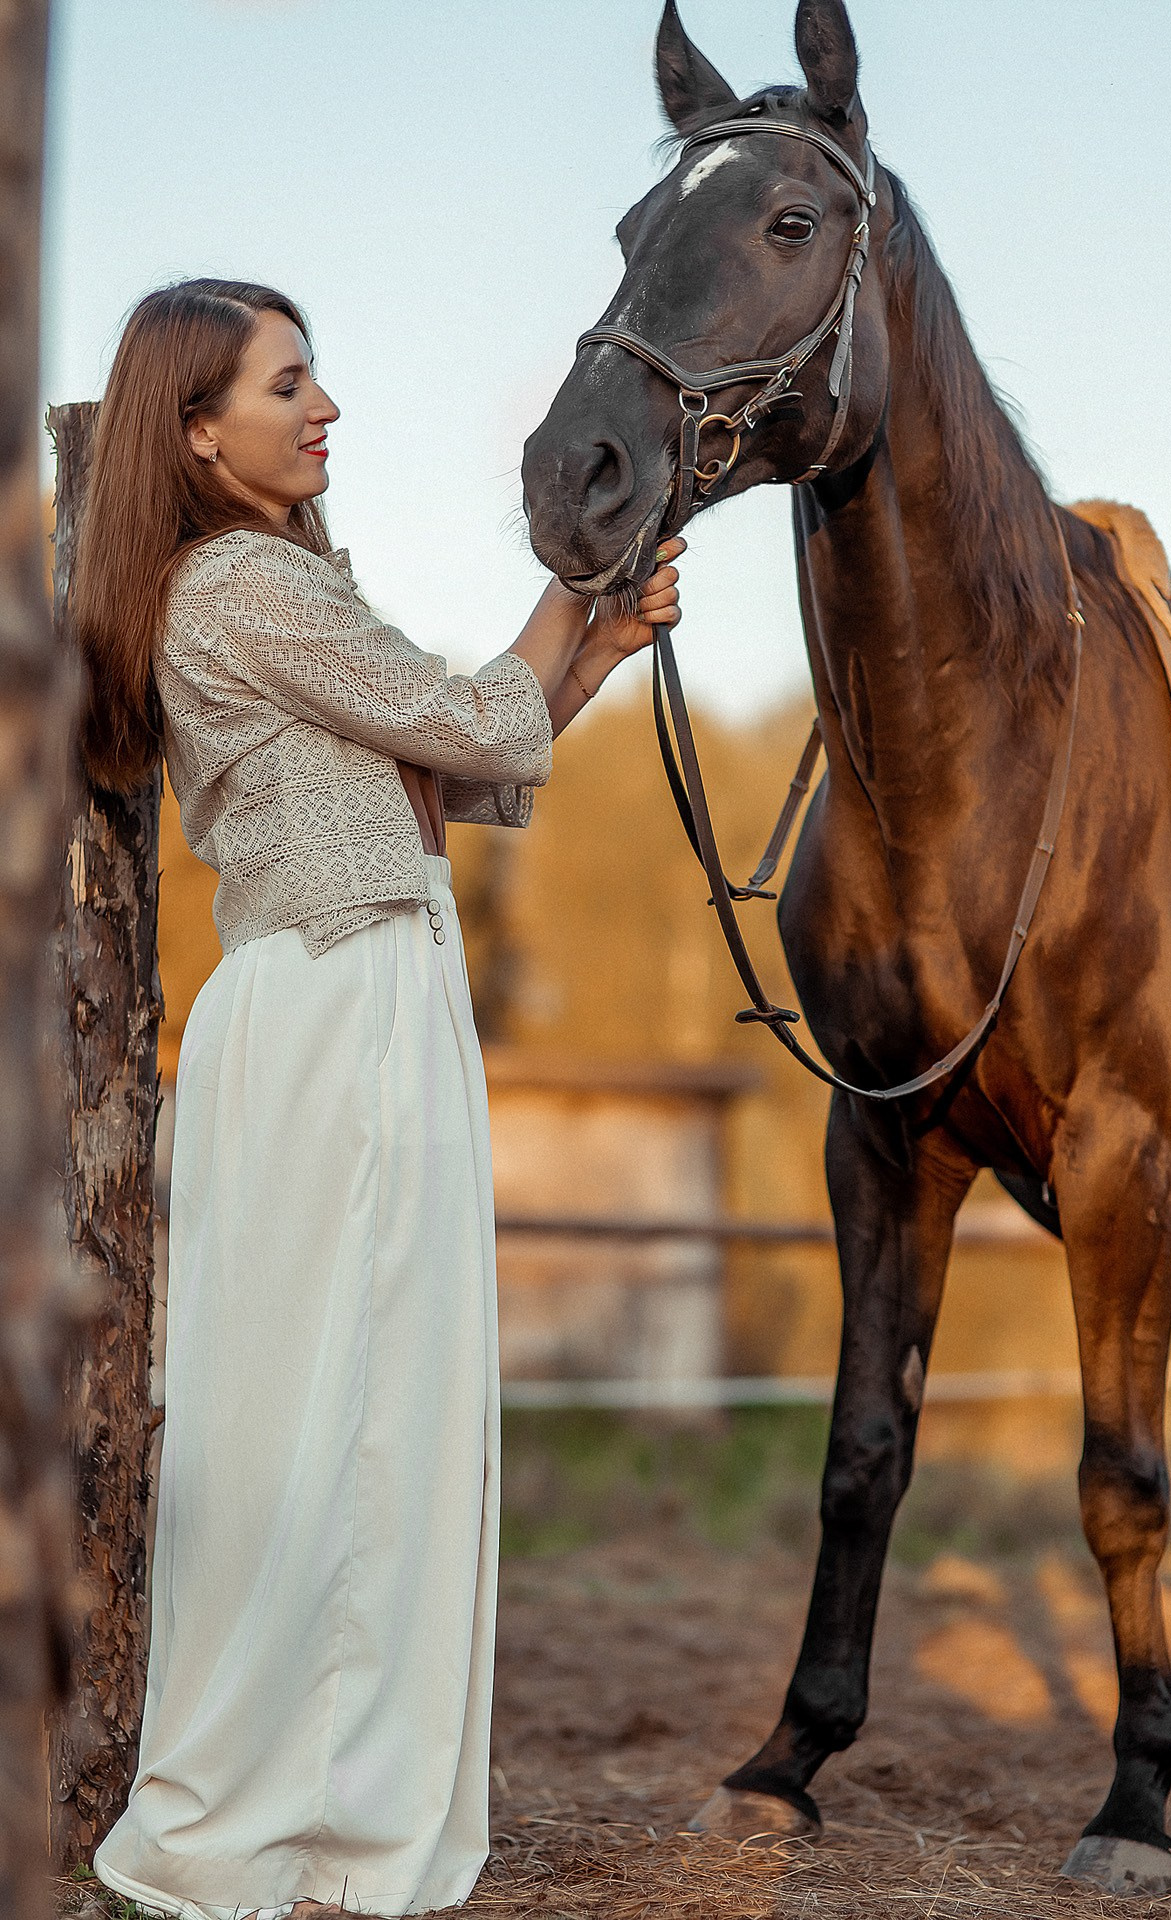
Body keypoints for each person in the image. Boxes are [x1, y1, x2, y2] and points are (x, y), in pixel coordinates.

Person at [75, 277, 682, 1920]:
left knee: (371, 1409)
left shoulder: (270, 585)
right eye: (288, 385)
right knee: (331, 1417)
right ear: (199, 434)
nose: (325, 406)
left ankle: (333, 1815)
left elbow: (453, 770)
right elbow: (473, 716)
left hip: (370, 991)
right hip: (339, 1000)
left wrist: (595, 648)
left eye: (316, 376)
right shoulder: (240, 583)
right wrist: (576, 577)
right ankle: (261, 1820)